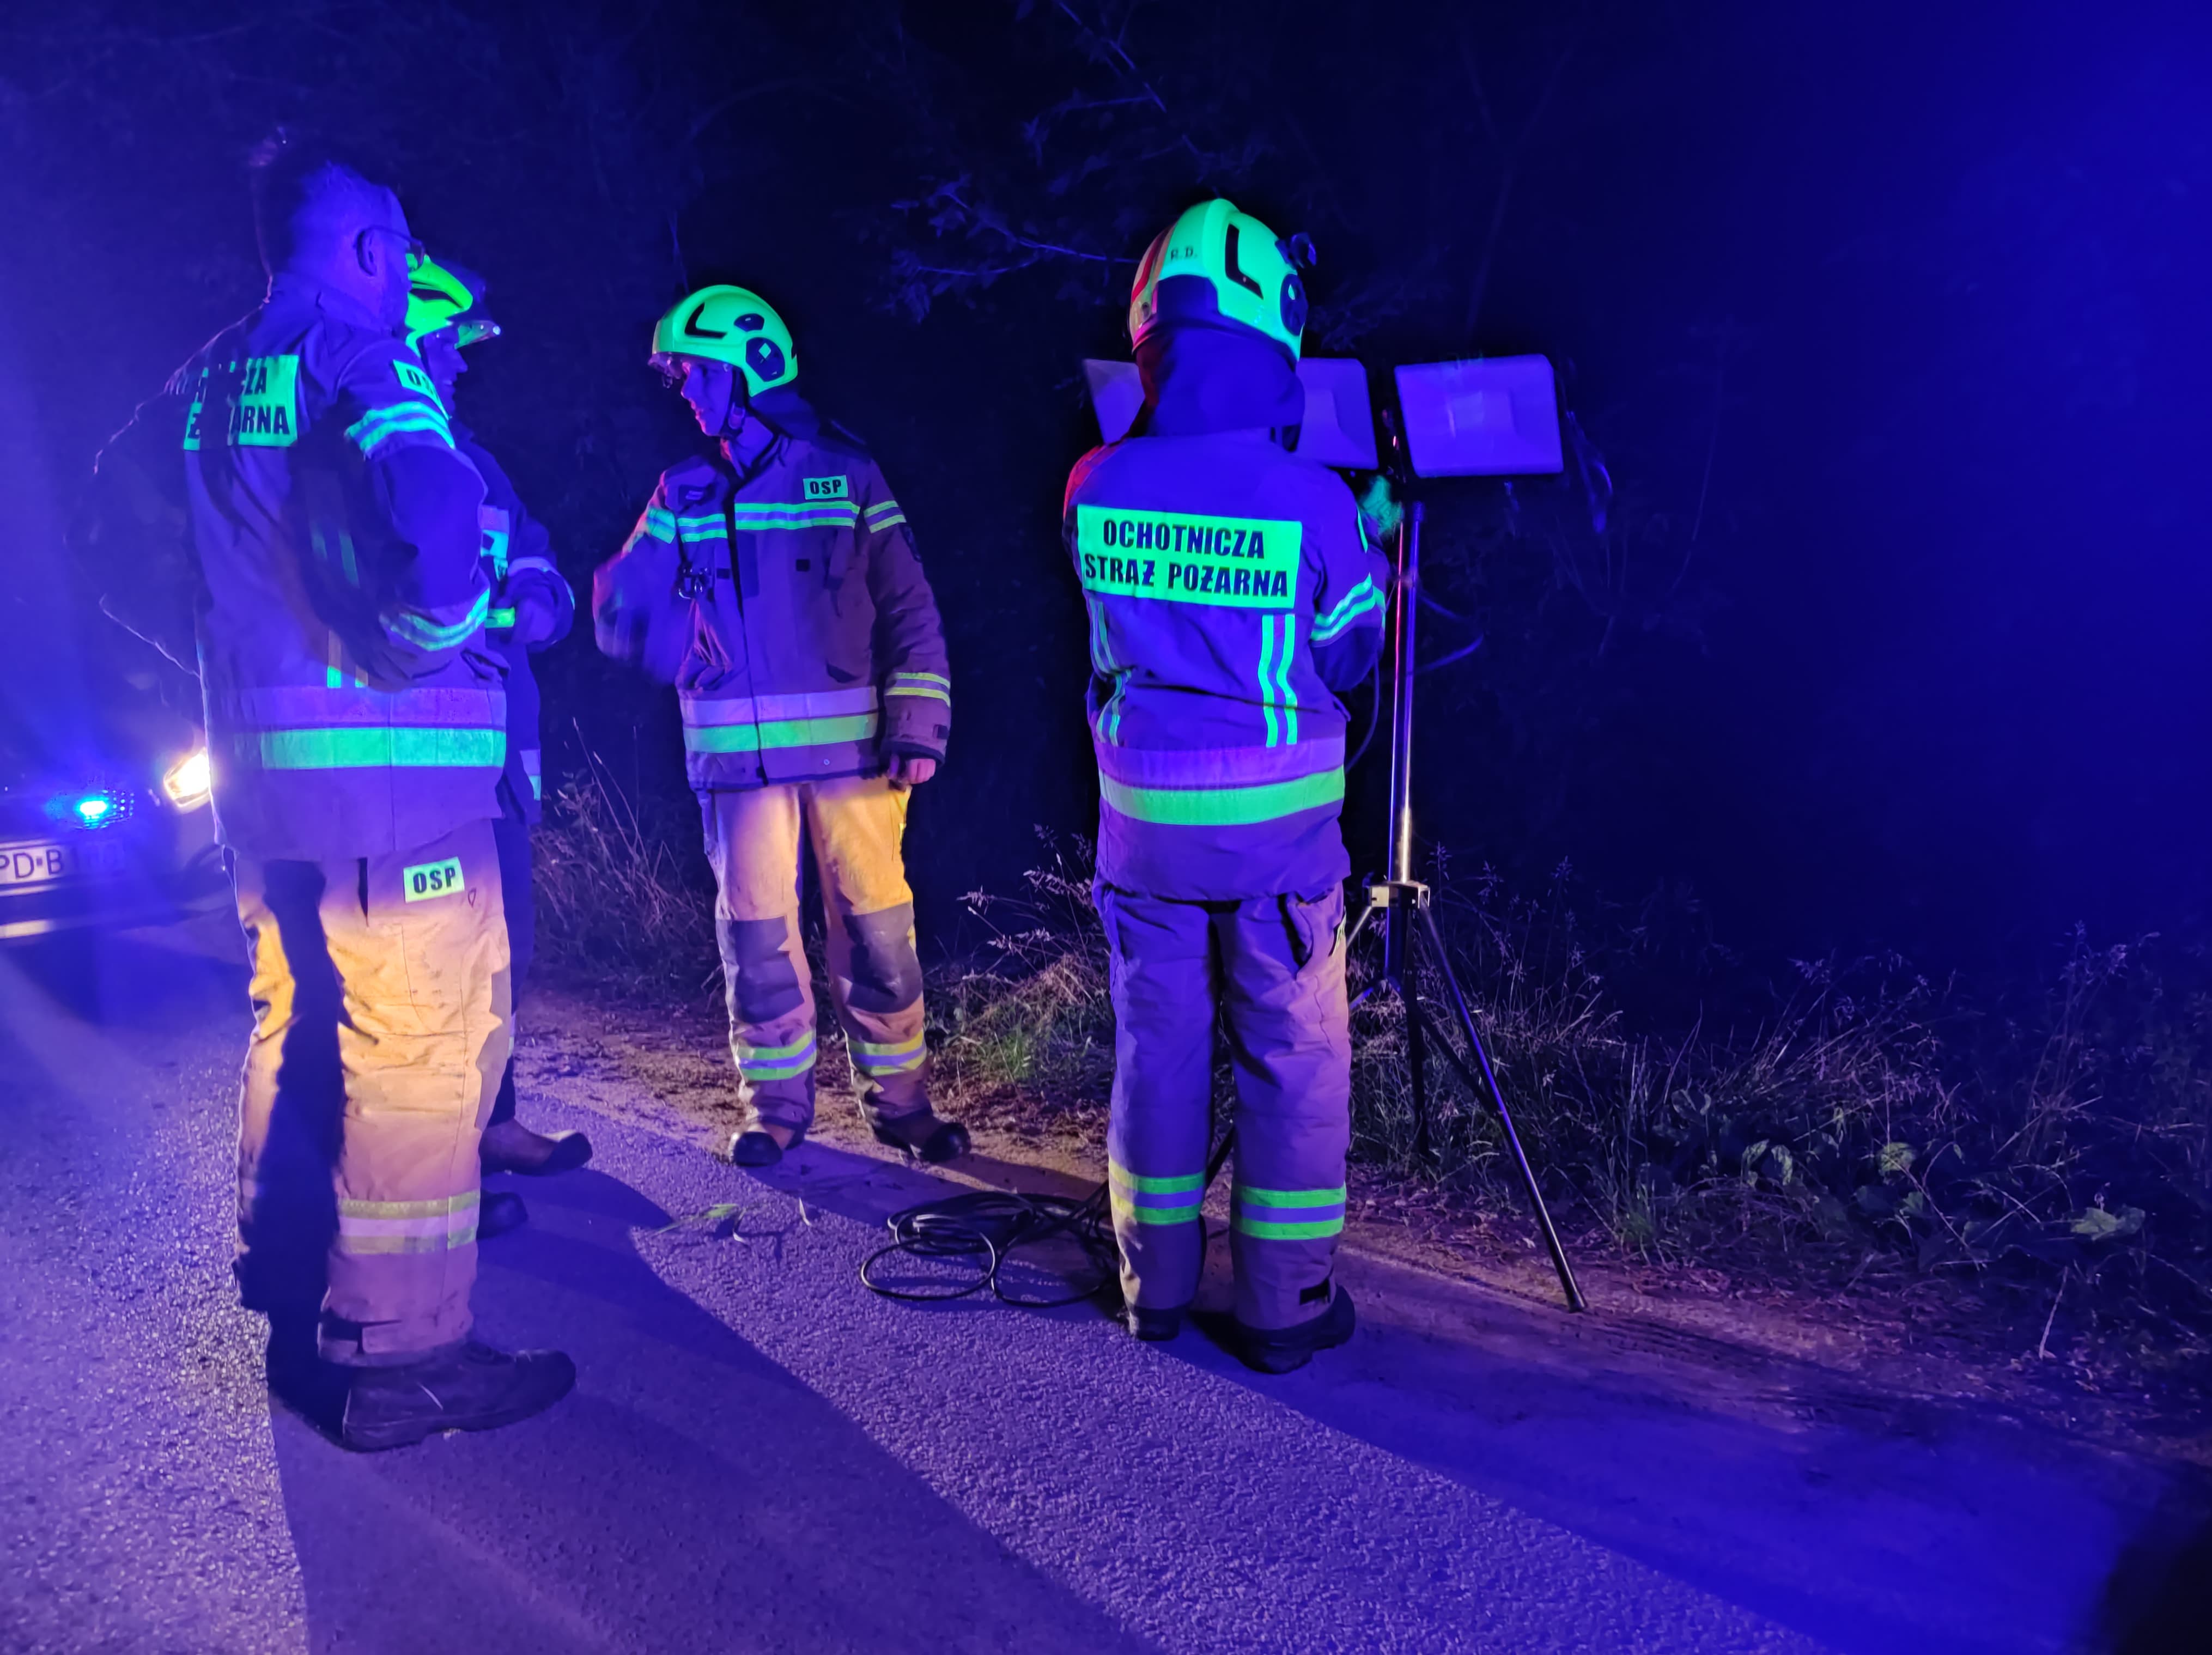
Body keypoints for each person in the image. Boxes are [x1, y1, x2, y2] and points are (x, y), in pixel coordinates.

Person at [83, 137, 573, 1450]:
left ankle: (280, 1258)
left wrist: (224, 654)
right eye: (401, 248)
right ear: (364, 251)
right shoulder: (365, 360)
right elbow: (433, 500)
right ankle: (404, 1356)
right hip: (394, 795)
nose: (408, 272)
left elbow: (103, 541)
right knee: (414, 1055)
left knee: (290, 1016)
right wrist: (431, 634)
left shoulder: (201, 386)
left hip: (267, 797)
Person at [1061, 199, 1391, 1373]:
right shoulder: (1313, 501)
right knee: (1287, 1062)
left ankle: (1151, 1288)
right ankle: (1282, 1305)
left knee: (1157, 1052)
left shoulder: (1092, 482)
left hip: (1141, 838)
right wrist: (1377, 548)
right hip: (1275, 850)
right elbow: (1351, 647)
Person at [594, 284, 966, 1169]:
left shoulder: (847, 472)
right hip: (735, 766)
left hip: (854, 761)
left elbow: (910, 603)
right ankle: (775, 1108)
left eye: (696, 373)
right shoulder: (679, 490)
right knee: (757, 940)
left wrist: (919, 721)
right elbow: (620, 615)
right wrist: (642, 619)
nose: (686, 392)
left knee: (877, 932)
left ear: (750, 369)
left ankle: (903, 1103)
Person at [404, 257, 591, 1219]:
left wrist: (536, 601)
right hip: (412, 773)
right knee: (422, 961)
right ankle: (438, 1160)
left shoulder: (476, 462)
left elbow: (542, 574)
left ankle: (495, 1122)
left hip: (495, 760)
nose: (459, 367)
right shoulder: (375, 462)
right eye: (443, 347)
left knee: (497, 949)